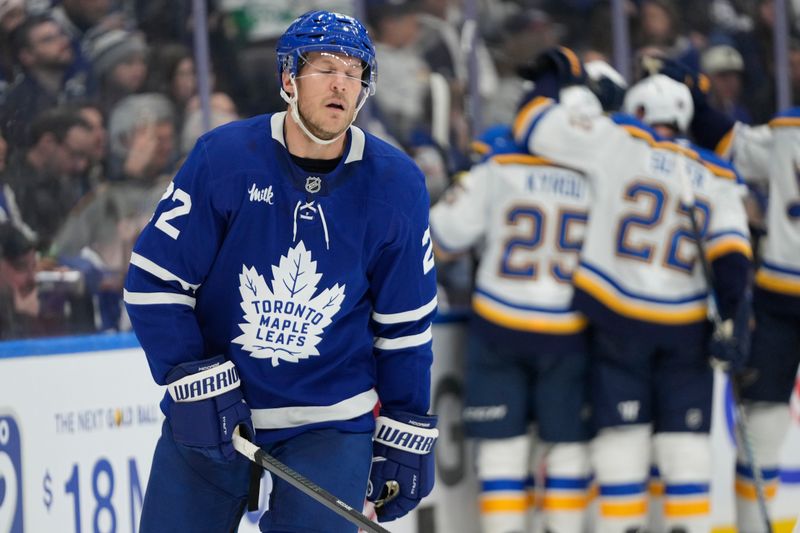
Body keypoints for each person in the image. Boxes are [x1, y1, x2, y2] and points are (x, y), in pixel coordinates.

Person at [123, 10, 439, 532]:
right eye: (325, 68)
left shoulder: (397, 185)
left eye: (354, 72)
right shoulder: (223, 158)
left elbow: (405, 327)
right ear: (288, 79)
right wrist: (192, 376)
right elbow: (154, 282)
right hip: (216, 408)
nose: (341, 83)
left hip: (330, 423)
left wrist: (406, 423)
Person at [513, 47, 752, 533]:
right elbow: (732, 262)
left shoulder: (617, 138)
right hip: (686, 330)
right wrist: (734, 323)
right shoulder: (717, 172)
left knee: (621, 448)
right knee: (686, 455)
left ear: (638, 109)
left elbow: (532, 124)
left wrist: (551, 77)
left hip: (616, 321)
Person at [429, 89, 596, 532]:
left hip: (499, 326)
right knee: (566, 451)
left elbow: (440, 239)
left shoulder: (499, 167)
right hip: (569, 330)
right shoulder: (600, 174)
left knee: (502, 454)